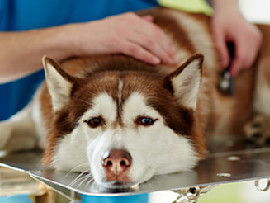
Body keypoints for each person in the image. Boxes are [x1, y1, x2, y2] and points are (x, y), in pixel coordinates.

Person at [0, 0, 262, 202]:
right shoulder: (52, 100)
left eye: (146, 120)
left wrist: (228, 7)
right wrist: (77, 38)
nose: (114, 157)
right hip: (25, 75)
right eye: (94, 121)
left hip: (142, 37)